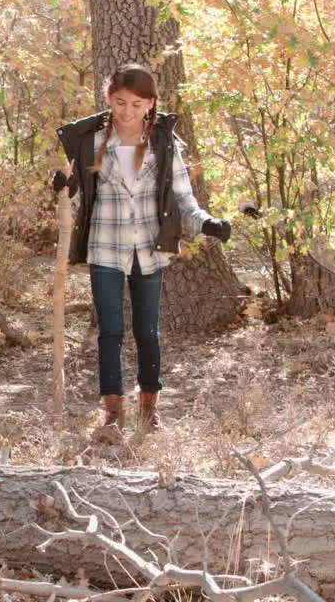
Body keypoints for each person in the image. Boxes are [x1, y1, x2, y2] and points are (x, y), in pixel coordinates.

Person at [53, 63, 231, 433]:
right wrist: (62, 191)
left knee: (147, 332)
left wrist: (208, 224)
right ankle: (113, 411)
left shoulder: (163, 143)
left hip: (149, 249)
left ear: (150, 103)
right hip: (105, 247)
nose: (128, 112)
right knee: (110, 331)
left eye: (137, 104)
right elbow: (75, 206)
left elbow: (183, 200)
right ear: (108, 100)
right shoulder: (91, 142)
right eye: (120, 103)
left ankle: (150, 409)